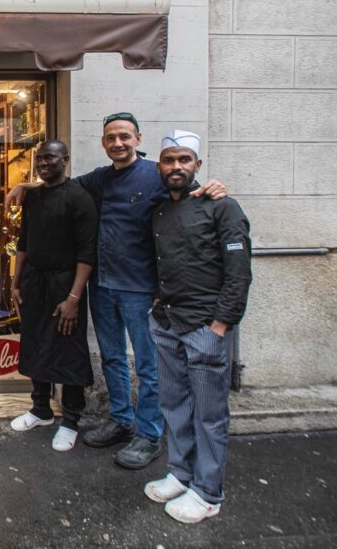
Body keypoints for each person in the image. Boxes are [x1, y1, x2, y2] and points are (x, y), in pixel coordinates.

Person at [7, 113, 226, 470]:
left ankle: (149, 433)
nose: (118, 143)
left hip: (141, 286)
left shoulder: (157, 172)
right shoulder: (100, 178)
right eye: (111, 138)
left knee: (147, 364)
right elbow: (59, 182)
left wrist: (214, 188)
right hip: (104, 283)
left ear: (138, 138)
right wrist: (26, 187)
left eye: (124, 136)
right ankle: (122, 420)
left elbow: (188, 190)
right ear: (103, 143)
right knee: (112, 357)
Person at [144, 130, 252, 523]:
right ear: (159, 166)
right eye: (169, 160)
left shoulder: (224, 207)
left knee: (209, 414)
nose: (176, 167)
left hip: (206, 327)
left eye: (184, 160)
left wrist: (222, 323)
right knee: (173, 405)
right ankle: (180, 472)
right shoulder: (160, 211)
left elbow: (239, 274)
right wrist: (157, 306)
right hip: (168, 322)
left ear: (198, 165)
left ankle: (208, 492)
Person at [9, 141, 98, 453]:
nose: (43, 164)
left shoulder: (80, 198)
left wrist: (74, 297)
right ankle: (40, 410)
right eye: (39, 159)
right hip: (34, 281)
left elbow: (88, 253)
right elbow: (23, 242)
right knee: (34, 343)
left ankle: (71, 419)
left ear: (66, 159)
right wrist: (15, 282)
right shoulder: (32, 197)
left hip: (65, 284)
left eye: (50, 157)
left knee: (68, 349)